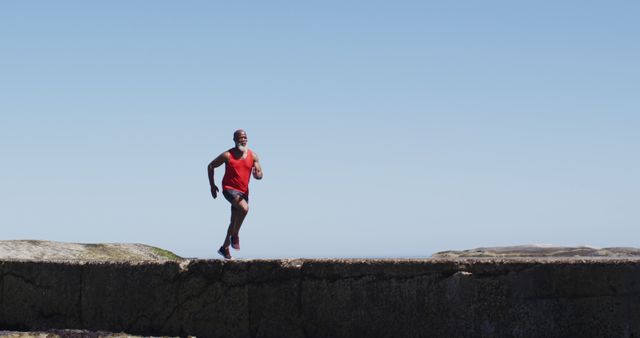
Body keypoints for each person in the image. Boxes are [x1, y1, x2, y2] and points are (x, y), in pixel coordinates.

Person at [208, 129, 263, 259]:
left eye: (244, 137)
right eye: (239, 138)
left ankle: (225, 248)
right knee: (244, 208)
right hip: (229, 189)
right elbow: (210, 166)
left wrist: (257, 175)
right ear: (234, 140)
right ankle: (235, 235)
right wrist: (212, 186)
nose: (242, 140)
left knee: (234, 221)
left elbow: (260, 173)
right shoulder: (228, 155)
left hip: (244, 191)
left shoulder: (253, 155)